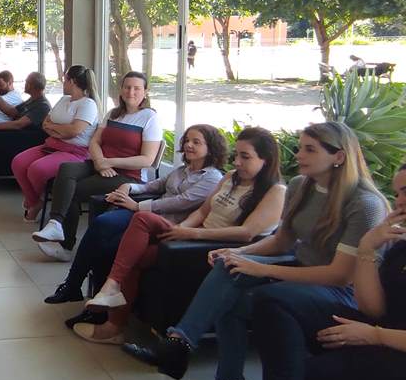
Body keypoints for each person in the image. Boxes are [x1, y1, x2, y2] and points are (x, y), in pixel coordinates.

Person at [146, 122, 387, 380]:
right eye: (300, 147)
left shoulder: (364, 204)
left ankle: (187, 353)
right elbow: (281, 241)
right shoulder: (301, 185)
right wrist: (238, 253)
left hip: (338, 291)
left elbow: (339, 275)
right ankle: (202, 362)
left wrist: (260, 268)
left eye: (310, 149)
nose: (299, 155)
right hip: (301, 269)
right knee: (229, 269)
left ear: (338, 156)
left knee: (243, 296)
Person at [236, 164, 406, 380]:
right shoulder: (401, 245)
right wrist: (367, 248)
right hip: (380, 334)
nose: (399, 202)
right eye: (397, 194)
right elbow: (373, 309)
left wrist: (375, 335)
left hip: (394, 352)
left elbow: (372, 319)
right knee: (274, 300)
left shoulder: (364, 202)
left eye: (405, 192)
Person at [74, 127, 284, 346]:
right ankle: (113, 319)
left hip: (212, 248)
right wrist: (180, 230)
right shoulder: (231, 177)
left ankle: (111, 296)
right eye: (237, 155)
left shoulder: (276, 192)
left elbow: (247, 233)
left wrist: (191, 233)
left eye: (245, 157)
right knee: (133, 255)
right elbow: (202, 211)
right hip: (191, 236)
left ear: (266, 159)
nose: (237, 162)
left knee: (142, 218)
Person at [44, 125, 226, 322]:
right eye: (187, 140)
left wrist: (138, 206)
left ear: (211, 148)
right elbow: (153, 186)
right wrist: (127, 187)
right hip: (146, 215)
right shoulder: (182, 170)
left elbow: (182, 202)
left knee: (109, 241)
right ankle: (77, 287)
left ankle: (93, 304)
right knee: (102, 224)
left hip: (166, 224)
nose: (189, 145)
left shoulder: (213, 178)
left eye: (196, 142)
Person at [31, 71, 164, 262]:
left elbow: (147, 160)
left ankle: (66, 246)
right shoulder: (113, 114)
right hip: (100, 164)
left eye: (137, 88)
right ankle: (55, 224)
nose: (131, 92)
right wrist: (100, 162)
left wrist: (109, 162)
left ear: (145, 92)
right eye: (127, 87)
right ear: (121, 90)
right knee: (67, 169)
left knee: (73, 190)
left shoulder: (149, 118)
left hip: (128, 175)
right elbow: (94, 141)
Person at [10, 65, 101, 222]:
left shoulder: (88, 104)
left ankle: (35, 203)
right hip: (53, 144)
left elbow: (74, 131)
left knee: (36, 170)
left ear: (72, 81)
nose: (62, 82)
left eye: (64, 79)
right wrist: (60, 131)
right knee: (18, 162)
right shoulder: (64, 99)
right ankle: (35, 202)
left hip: (76, 152)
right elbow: (45, 123)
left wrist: (56, 129)